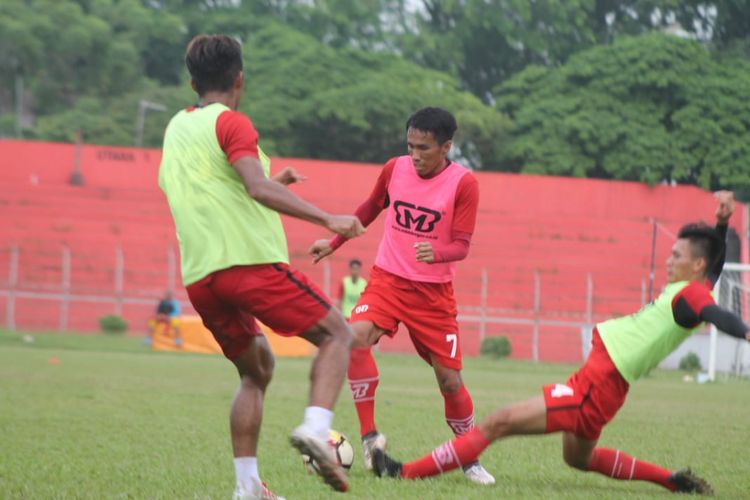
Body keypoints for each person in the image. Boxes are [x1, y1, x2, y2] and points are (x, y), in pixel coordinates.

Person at [372, 191, 749, 496]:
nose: (669, 259)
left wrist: (745, 331)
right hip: (605, 383)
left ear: (695, 265)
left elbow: (720, 316)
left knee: (498, 422)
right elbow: (714, 270)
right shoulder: (694, 288)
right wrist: (721, 222)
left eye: (677, 255)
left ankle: (401, 473)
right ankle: (672, 480)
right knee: (578, 459)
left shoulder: (694, 298)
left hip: (598, 383)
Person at [159, 35, 365, 500]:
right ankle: (317, 429)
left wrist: (276, 180)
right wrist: (328, 218)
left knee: (257, 370)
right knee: (338, 334)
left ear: (193, 82)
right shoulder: (233, 124)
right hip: (246, 264)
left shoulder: (176, 128)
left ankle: (248, 487)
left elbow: (221, 189)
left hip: (200, 277)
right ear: (239, 80)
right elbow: (254, 189)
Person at [309, 107, 494, 485]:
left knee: (450, 382)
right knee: (352, 336)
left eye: (423, 148)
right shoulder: (395, 168)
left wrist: (436, 252)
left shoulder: (464, 184)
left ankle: (469, 458)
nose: (415, 155)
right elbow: (369, 208)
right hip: (388, 280)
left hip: (433, 295)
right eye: (410, 145)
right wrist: (334, 242)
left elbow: (461, 245)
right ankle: (369, 437)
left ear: (446, 147)